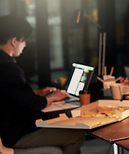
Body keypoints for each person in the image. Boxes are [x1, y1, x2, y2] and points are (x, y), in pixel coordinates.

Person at [0, 15, 85, 154]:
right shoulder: (8, 68)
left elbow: (10, 94)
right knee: (77, 136)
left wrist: (37, 93)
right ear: (14, 41)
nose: (25, 45)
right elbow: (31, 105)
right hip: (15, 135)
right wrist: (53, 97)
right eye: (24, 40)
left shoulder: (4, 64)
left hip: (8, 131)